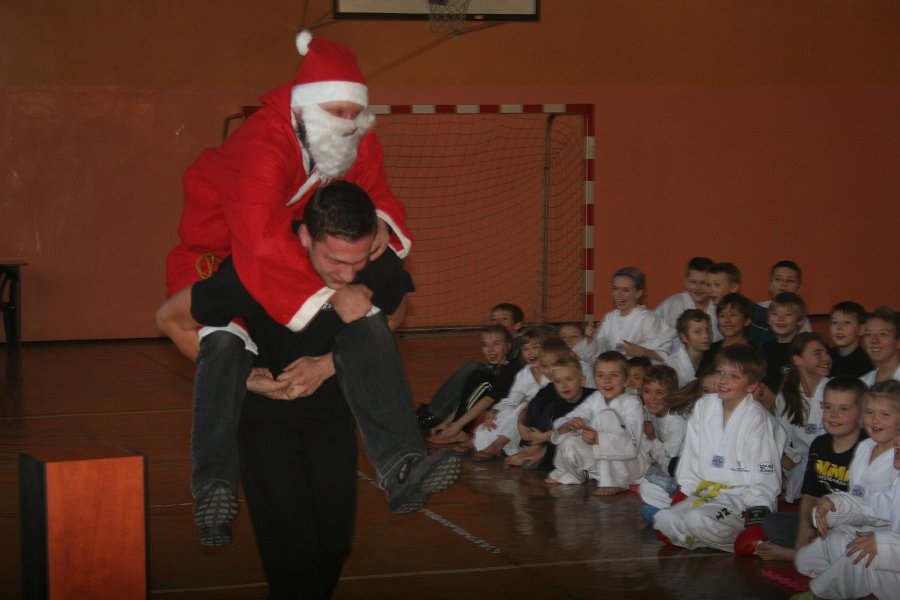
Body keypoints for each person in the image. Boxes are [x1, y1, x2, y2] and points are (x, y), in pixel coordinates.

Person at [155, 30, 415, 544]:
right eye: (337, 112)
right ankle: (212, 486)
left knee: (367, 318)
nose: (348, 122)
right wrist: (332, 294)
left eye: (354, 112)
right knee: (223, 345)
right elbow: (258, 239)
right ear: (303, 108)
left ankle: (403, 465)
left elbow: (373, 188)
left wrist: (380, 221)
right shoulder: (260, 143)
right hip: (219, 251)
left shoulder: (351, 136)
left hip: (284, 239)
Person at [189, 183, 459, 596]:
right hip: (264, 421)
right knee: (292, 547)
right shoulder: (256, 262)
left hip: (332, 417)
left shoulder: (372, 255)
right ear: (304, 237)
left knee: (334, 544)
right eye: (334, 261)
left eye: (357, 263)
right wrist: (244, 377)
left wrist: (327, 365)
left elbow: (394, 310)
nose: (347, 275)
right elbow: (181, 321)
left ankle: (401, 466)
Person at [652, 344, 783, 552]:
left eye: (734, 376)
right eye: (720, 372)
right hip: (706, 492)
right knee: (664, 520)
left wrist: (758, 516)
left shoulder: (757, 419)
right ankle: (703, 536)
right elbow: (691, 454)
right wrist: (685, 492)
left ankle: (737, 537)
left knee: (696, 520)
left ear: (751, 385)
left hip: (740, 498)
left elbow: (765, 471)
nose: (723, 381)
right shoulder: (704, 406)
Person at [794, 381, 900, 598]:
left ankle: (822, 593)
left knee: (855, 552)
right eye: (870, 412)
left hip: (889, 548)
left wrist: (881, 544)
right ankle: (856, 580)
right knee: (810, 556)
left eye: (885, 415)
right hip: (873, 534)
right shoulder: (865, 448)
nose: (897, 441)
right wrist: (834, 504)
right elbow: (874, 506)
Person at [756, 376, 867, 562]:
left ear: (862, 415)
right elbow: (810, 496)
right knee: (772, 524)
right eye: (828, 407)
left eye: (844, 409)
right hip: (822, 521)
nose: (833, 415)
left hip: (852, 524)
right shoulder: (820, 445)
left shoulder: (867, 449)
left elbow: (867, 509)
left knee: (850, 540)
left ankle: (796, 556)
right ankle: (817, 552)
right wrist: (805, 528)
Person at [416, 303, 525, 433]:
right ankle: (441, 416)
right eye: (494, 319)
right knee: (477, 374)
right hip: (498, 393)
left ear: (518, 325)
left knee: (476, 372)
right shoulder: (499, 351)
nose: (497, 323)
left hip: (510, 398)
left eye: (504, 319)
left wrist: (454, 426)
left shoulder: (521, 345)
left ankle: (439, 416)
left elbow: (505, 385)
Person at [547, 351, 644, 496]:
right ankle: (571, 475)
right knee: (568, 439)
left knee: (607, 417)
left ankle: (615, 482)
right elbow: (575, 416)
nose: (606, 381)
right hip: (603, 464)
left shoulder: (632, 402)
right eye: (600, 375)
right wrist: (569, 425)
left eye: (613, 375)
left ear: (626, 380)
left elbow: (632, 445)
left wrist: (599, 439)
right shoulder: (596, 398)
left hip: (631, 466)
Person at [426, 326, 518, 447]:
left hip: (510, 414)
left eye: (496, 344)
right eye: (485, 345)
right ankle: (461, 429)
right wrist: (447, 422)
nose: (490, 350)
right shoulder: (493, 367)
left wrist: (455, 427)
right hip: (492, 413)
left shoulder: (511, 368)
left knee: (483, 381)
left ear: (508, 346)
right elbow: (467, 398)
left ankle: (463, 431)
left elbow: (487, 400)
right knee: (477, 375)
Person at [505, 339, 585, 468]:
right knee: (535, 403)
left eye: (553, 365)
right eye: (545, 366)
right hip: (546, 435)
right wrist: (521, 425)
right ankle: (530, 446)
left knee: (552, 407)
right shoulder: (549, 387)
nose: (549, 371)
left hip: (564, 435)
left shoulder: (576, 389)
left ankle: (536, 448)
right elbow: (529, 407)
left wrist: (542, 438)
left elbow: (569, 425)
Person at [469, 328, 548, 460]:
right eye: (525, 349)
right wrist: (494, 410)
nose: (530, 352)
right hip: (523, 412)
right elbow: (512, 399)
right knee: (503, 413)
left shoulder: (553, 371)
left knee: (522, 409)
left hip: (543, 415)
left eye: (535, 347)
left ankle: (498, 445)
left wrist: (526, 404)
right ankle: (484, 443)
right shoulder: (524, 374)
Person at [774, 333, 833, 502]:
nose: (826, 358)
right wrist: (795, 469)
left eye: (827, 353)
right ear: (798, 360)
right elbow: (779, 443)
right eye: (817, 353)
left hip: (831, 470)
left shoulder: (836, 389)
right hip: (797, 467)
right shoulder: (786, 396)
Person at [587, 267, 676, 363]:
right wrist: (590, 339)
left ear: (638, 293)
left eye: (626, 290)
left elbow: (664, 356)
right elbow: (598, 353)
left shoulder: (649, 319)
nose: (619, 294)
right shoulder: (610, 318)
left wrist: (641, 352)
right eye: (616, 289)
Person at [637, 365, 688, 512]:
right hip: (659, 471)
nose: (652, 398)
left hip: (679, 476)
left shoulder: (677, 421)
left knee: (645, 486)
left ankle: (679, 507)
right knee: (644, 487)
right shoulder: (646, 411)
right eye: (647, 391)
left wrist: (652, 438)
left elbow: (669, 464)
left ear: (672, 395)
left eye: (659, 393)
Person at [707, 262, 772, 347]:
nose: (710, 290)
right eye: (708, 285)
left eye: (717, 285)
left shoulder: (755, 314)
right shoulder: (715, 310)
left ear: (734, 287)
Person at [654, 257, 717, 339]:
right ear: (686, 282)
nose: (698, 287)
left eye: (703, 283)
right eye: (693, 282)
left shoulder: (718, 305)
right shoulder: (674, 304)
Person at [761, 292, 808, 397]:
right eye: (775, 314)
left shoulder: (803, 348)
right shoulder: (765, 348)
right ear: (768, 319)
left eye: (788, 314)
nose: (780, 318)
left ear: (800, 320)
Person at [696, 292, 753, 375]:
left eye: (733, 315)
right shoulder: (711, 350)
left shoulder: (754, 352)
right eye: (722, 315)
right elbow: (702, 379)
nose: (727, 320)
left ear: (747, 320)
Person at [758, 260, 812, 333]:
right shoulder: (758, 309)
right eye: (778, 279)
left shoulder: (800, 317)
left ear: (798, 288)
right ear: (770, 284)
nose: (783, 284)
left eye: (790, 280)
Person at [665, 309, 712, 387]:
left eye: (708, 329)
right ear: (684, 337)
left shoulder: (714, 355)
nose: (706, 335)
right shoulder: (672, 365)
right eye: (698, 331)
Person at [827, 301, 872, 378]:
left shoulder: (864, 363)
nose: (839, 327)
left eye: (847, 322)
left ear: (861, 329)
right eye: (834, 322)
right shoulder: (825, 356)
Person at [860, 306, 900, 385]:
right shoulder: (863, 384)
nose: (874, 340)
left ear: (898, 342)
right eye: (869, 334)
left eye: (883, 334)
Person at [558, 322, 597, 386]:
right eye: (563, 337)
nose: (568, 339)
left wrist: (589, 337)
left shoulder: (587, 360)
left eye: (574, 336)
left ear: (584, 339)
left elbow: (589, 350)